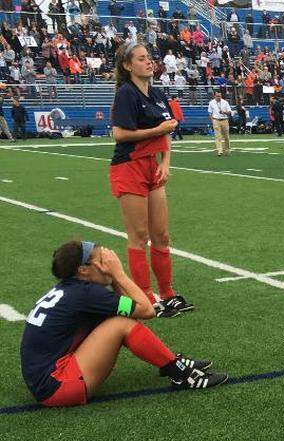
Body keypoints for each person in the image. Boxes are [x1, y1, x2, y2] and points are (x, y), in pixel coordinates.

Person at [20, 241, 227, 407]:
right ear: (83, 270)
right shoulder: (86, 293)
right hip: (57, 385)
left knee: (120, 318)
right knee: (120, 323)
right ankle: (181, 374)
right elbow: (147, 310)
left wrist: (111, 279)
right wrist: (118, 273)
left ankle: (172, 363)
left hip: (47, 380)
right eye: (103, 260)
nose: (109, 262)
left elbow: (129, 306)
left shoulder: (74, 289)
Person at [109, 42, 192, 318]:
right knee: (139, 236)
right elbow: (120, 134)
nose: (149, 62)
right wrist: (157, 130)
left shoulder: (157, 93)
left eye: (149, 57)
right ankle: (145, 295)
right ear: (128, 65)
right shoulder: (125, 93)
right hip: (129, 167)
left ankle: (167, 293)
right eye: (142, 58)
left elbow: (167, 131)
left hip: (152, 166)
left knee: (161, 235)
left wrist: (166, 162)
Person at [207, 90, 231, 155]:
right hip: (216, 120)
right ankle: (219, 150)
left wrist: (224, 112)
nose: (219, 97)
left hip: (224, 120)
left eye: (220, 96)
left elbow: (229, 112)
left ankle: (227, 149)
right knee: (218, 136)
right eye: (217, 96)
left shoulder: (225, 102)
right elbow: (210, 112)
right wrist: (212, 120)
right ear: (214, 96)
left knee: (226, 136)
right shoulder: (211, 103)